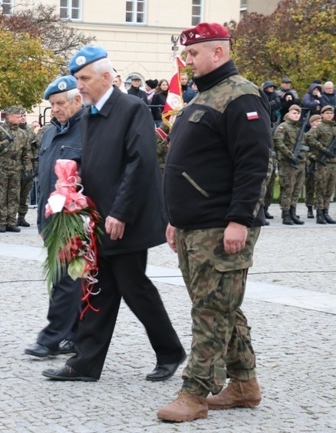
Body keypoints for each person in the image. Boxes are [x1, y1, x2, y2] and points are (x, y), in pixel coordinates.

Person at [42, 46, 185, 384]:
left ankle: (170, 352)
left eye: (85, 79)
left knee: (135, 289)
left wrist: (119, 212)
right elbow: (95, 163)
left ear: (106, 78)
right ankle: (85, 364)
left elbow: (140, 163)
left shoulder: (131, 108)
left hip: (126, 220)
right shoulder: (90, 114)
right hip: (99, 219)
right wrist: (75, 190)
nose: (80, 87)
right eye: (77, 80)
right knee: (98, 290)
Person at [157, 23, 271, 423]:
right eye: (186, 55)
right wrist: (175, 219)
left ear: (218, 54)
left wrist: (240, 219)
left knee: (210, 310)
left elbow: (255, 165)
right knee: (221, 307)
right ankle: (244, 384)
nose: (187, 62)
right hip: (193, 226)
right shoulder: (204, 97)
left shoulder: (240, 96)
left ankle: (195, 393)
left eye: (193, 55)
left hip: (220, 226)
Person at [24, 75, 83, 358]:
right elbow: (43, 179)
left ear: (77, 101)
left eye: (61, 103)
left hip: (76, 219)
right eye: (52, 104)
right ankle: (73, 335)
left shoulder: (90, 130)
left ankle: (52, 338)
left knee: (65, 279)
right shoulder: (49, 132)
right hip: (51, 218)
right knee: (68, 278)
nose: (56, 108)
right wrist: (41, 221)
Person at [0, 106, 31, 233]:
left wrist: (28, 168)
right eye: (17, 116)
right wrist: (5, 142)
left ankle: (12, 221)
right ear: (9, 117)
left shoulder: (23, 134)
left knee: (14, 196)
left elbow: (26, 152)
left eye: (20, 116)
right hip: (1, 168)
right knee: (1, 196)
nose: (19, 118)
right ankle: (1, 222)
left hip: (16, 168)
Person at [273, 105, 306, 225]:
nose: (296, 115)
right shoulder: (283, 127)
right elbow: (278, 142)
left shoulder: (299, 128)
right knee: (288, 188)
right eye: (294, 113)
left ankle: (293, 212)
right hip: (287, 162)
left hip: (300, 162)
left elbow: (304, 144)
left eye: (298, 113)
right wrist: (290, 155)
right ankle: (285, 214)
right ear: (288, 114)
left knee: (297, 189)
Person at [305, 105, 336, 224]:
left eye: (331, 113)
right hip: (322, 162)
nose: (329, 115)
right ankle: (319, 213)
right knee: (321, 188)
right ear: (322, 114)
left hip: (333, 162)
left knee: (329, 189)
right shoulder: (319, 127)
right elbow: (310, 138)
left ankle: (326, 211)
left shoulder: (334, 127)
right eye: (327, 113)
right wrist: (323, 149)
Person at [17, 108, 38, 227]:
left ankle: (21, 217)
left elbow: (34, 151)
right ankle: (9, 218)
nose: (22, 117)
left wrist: (34, 167)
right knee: (13, 195)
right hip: (15, 167)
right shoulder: (12, 131)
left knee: (24, 194)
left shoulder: (30, 133)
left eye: (24, 115)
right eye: (20, 115)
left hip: (28, 167)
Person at [304, 114, 322, 218]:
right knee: (310, 187)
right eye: (317, 121)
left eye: (320, 120)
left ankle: (320, 208)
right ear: (312, 123)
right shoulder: (307, 135)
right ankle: (309, 208)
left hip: (322, 163)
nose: (319, 122)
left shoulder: (323, 134)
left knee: (321, 187)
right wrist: (313, 156)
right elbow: (305, 150)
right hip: (311, 163)